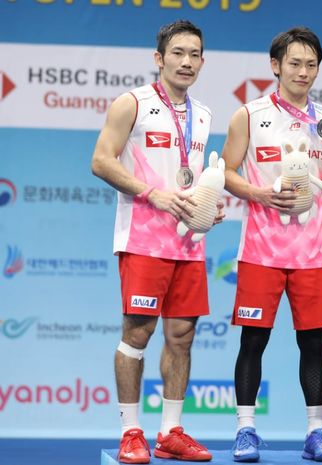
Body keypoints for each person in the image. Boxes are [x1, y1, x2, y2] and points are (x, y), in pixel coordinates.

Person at [91, 20, 221, 464]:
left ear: (203, 62)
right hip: (144, 239)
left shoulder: (203, 115)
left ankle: (170, 432)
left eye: (194, 54)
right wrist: (153, 194)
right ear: (159, 57)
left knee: (182, 336)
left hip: (189, 243)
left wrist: (209, 206)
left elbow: (195, 175)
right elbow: (101, 161)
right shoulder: (132, 103)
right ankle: (131, 431)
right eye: (178, 53)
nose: (186, 62)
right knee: (139, 333)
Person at [220, 27, 322, 463]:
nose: (303, 72)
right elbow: (227, 171)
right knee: (253, 342)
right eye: (295, 63)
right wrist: (258, 194)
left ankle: (316, 432)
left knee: (313, 344)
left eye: (311, 64)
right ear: (276, 66)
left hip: (312, 252)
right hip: (261, 252)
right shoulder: (249, 115)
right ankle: (246, 430)